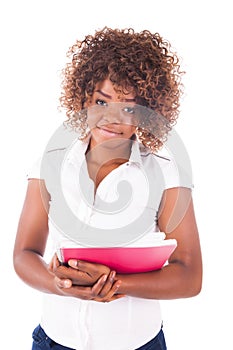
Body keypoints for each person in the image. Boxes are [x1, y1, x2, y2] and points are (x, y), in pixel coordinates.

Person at [13, 27, 202, 350]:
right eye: (101, 101)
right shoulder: (49, 164)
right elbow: (24, 254)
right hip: (54, 341)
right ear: (84, 98)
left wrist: (112, 284)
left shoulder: (167, 175)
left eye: (129, 107)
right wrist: (60, 284)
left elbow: (189, 276)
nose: (111, 118)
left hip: (137, 343)